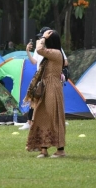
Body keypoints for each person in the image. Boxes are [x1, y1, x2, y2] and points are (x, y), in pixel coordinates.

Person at [25, 29, 66, 158]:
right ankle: (43, 149)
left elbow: (39, 49)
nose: (43, 40)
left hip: (53, 87)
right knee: (41, 115)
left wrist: (42, 37)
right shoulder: (51, 54)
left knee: (53, 116)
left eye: (45, 39)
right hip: (45, 87)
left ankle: (60, 149)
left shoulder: (56, 53)